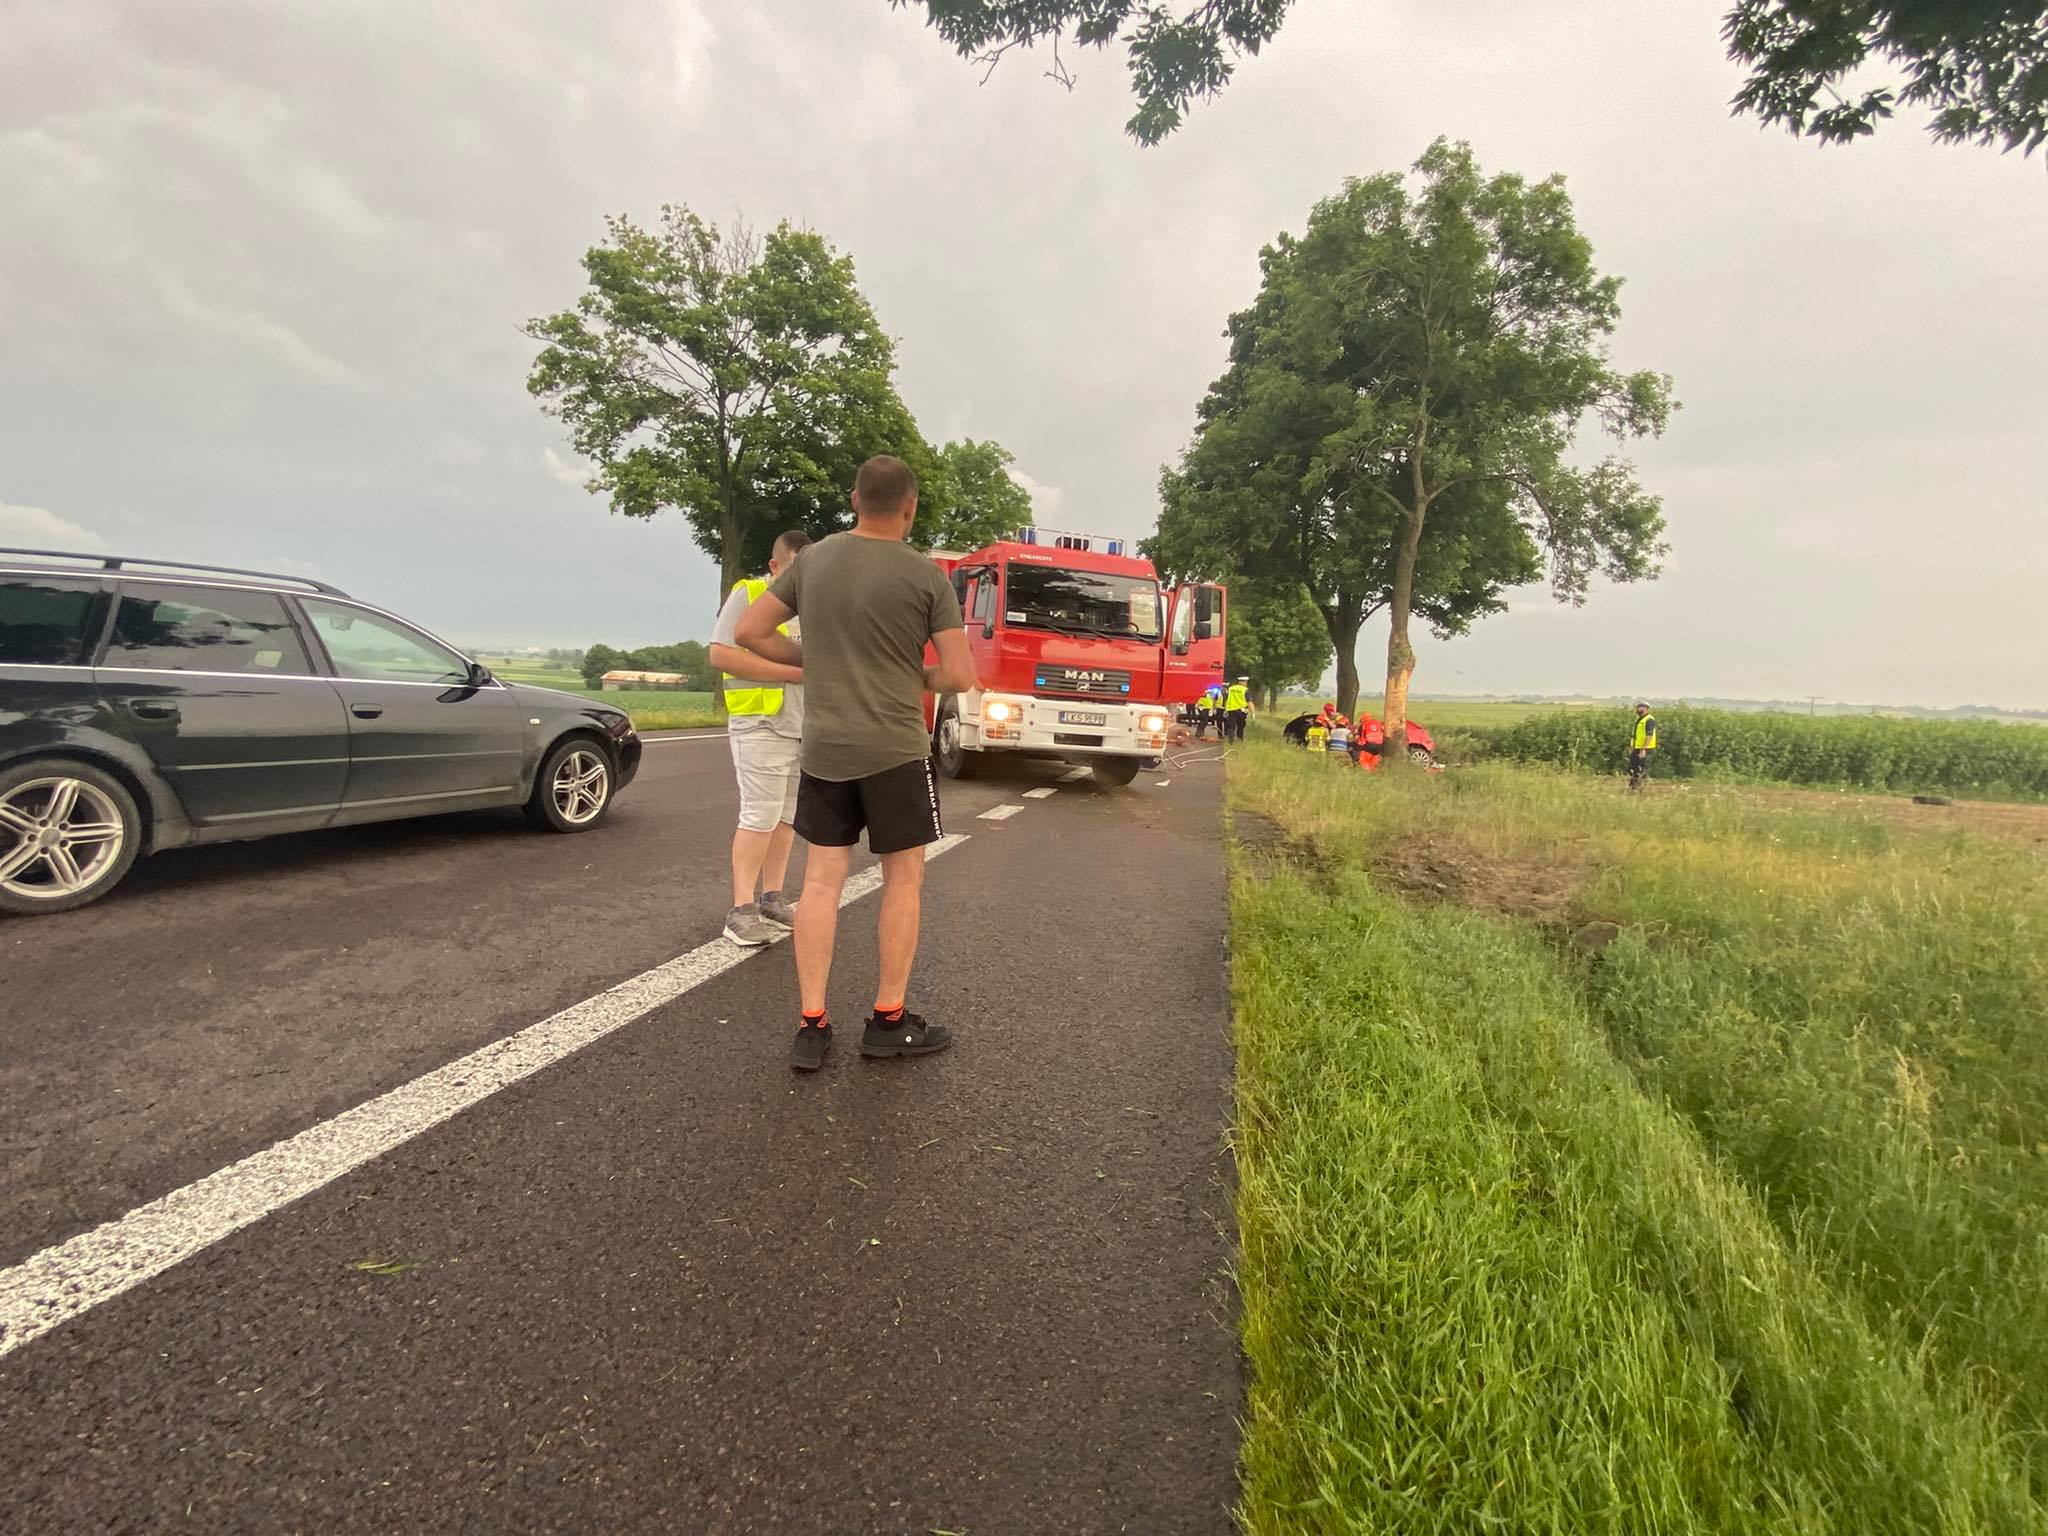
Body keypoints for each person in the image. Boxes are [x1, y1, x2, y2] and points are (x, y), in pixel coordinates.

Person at [736, 455, 978, 1073]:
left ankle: (812, 1026)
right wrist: (907, 674)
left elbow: (751, 633)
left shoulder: (813, 560)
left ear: (854, 499)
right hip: (896, 749)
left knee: (820, 883)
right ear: (911, 506)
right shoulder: (927, 578)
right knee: (903, 880)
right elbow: (957, 674)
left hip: (827, 748)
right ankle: (888, 1022)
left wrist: (816, 663)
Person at [708, 530, 811, 947]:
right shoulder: (750, 594)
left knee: (786, 816)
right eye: (795, 570)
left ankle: (772, 897)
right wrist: (795, 674)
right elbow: (720, 654)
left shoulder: (814, 607)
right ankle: (741, 909)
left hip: (802, 726)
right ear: (775, 567)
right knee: (759, 814)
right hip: (760, 722)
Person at [1628, 701, 1658, 792]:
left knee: (1640, 768)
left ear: (1646, 708)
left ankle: (1637, 788)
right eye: (1637, 707)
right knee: (1632, 767)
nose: (1637, 709)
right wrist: (1632, 746)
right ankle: (1633, 786)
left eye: (1640, 707)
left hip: (1645, 749)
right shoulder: (1639, 719)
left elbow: (1649, 735)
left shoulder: (1649, 720)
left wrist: (1643, 749)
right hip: (1637, 747)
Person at [1223, 676, 1250, 741]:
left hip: (1231, 710)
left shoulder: (1230, 689)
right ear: (1242, 682)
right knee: (1241, 725)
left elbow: (1226, 699)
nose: (1246, 683)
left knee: (1231, 726)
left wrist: (1225, 709)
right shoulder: (1245, 689)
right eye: (1246, 682)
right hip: (1241, 711)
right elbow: (1248, 701)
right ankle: (1240, 739)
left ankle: (1231, 741)